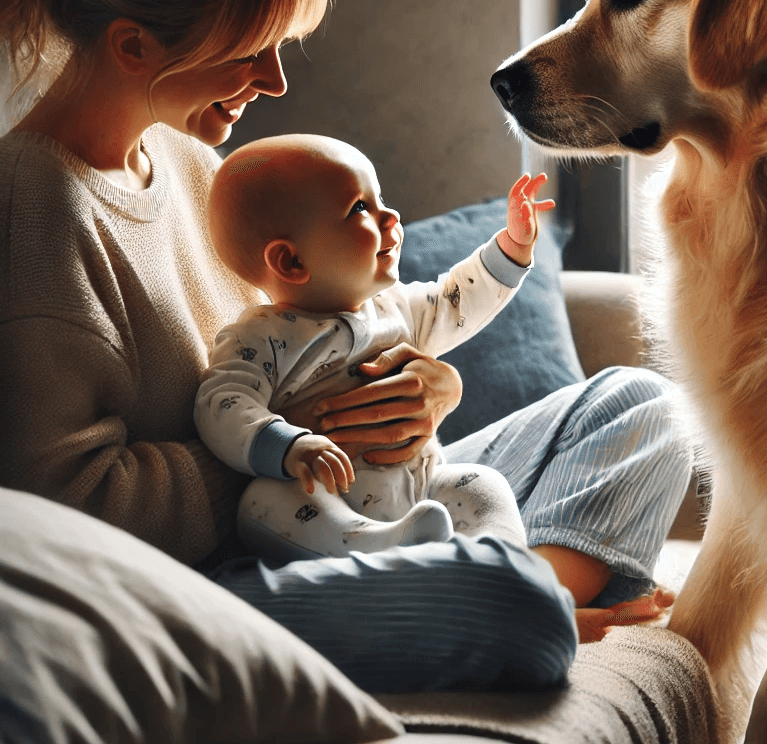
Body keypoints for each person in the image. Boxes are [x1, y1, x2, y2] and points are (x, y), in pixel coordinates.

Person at [0, 0, 692, 691]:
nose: (277, 81)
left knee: (641, 403)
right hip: (225, 573)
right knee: (506, 612)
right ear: (135, 46)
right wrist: (293, 441)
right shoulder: (33, 210)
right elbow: (61, 515)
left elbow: (307, 339)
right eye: (252, 47)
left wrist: (422, 391)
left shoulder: (187, 166)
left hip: (360, 498)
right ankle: (513, 596)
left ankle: (512, 581)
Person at [197, 134, 552, 558]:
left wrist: (512, 247)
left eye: (380, 197)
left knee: (484, 485)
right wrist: (287, 445)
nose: (391, 216)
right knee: (262, 503)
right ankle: (380, 546)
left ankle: (500, 558)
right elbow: (223, 400)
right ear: (292, 262)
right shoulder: (260, 336)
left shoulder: (397, 308)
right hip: (325, 494)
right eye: (360, 208)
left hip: (420, 485)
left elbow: (459, 299)